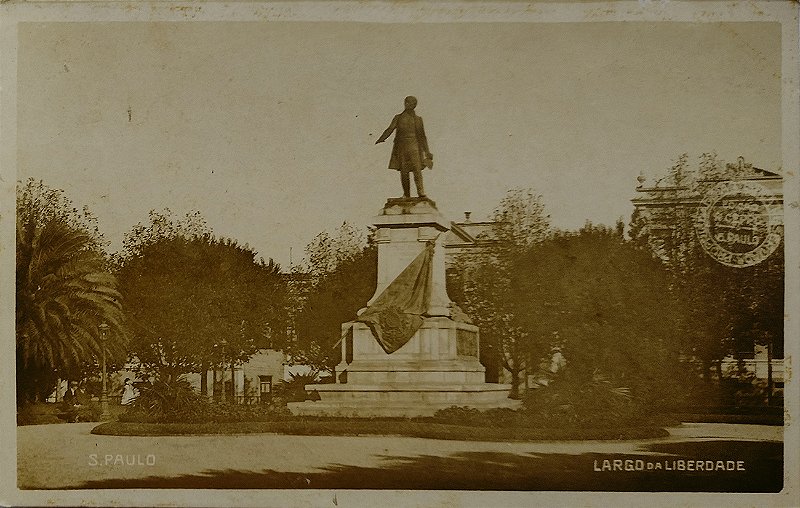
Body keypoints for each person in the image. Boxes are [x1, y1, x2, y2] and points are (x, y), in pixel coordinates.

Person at [375, 96, 433, 198]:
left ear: (414, 105)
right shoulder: (398, 117)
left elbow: (422, 136)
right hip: (402, 147)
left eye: (411, 103)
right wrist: (381, 138)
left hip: (414, 146)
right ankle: (406, 194)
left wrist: (427, 151)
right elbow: (390, 129)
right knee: (404, 171)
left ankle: (421, 192)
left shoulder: (418, 119)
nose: (408, 104)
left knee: (417, 169)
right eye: (407, 102)